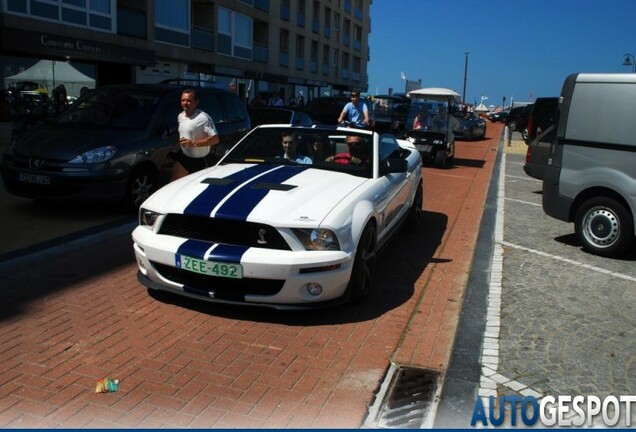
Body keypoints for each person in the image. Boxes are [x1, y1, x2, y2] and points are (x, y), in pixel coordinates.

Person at [171, 88, 220, 181]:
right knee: (174, 185)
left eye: (189, 101)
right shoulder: (180, 116)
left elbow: (215, 139)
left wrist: (193, 143)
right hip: (184, 158)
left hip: (200, 161)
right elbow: (181, 132)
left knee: (198, 190)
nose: (185, 103)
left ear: (196, 103)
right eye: (183, 100)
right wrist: (174, 146)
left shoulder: (203, 118)